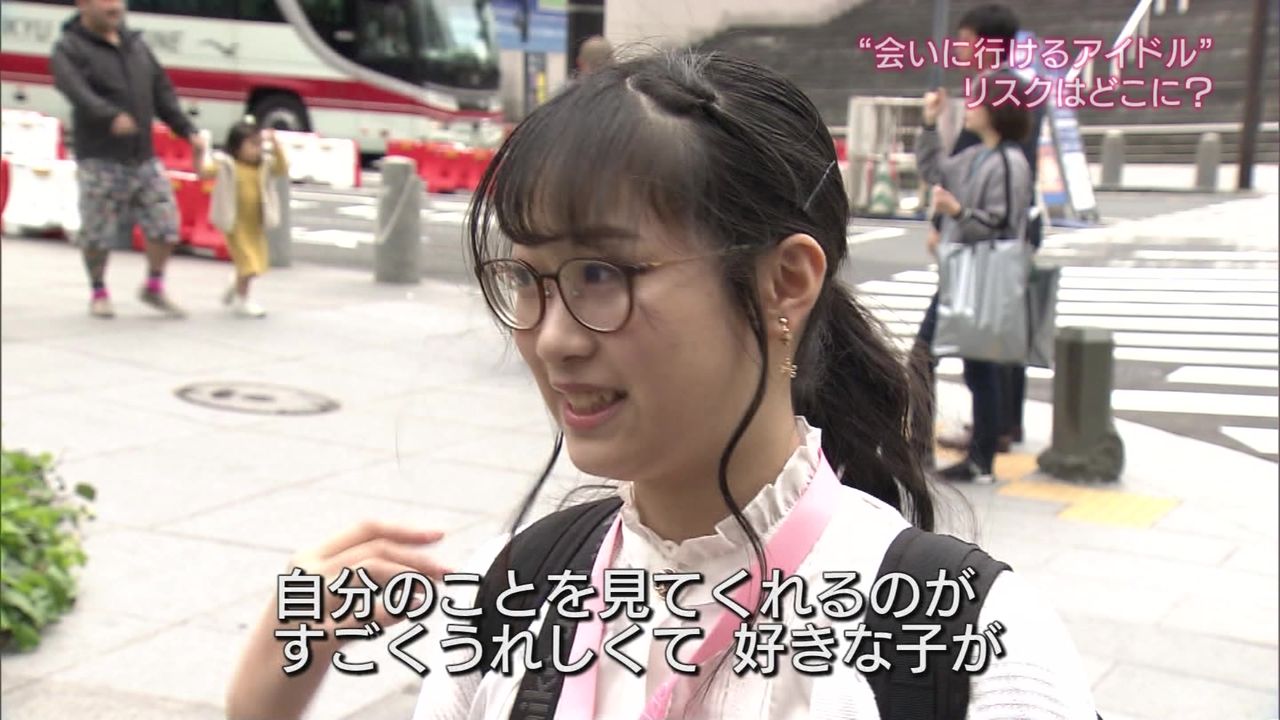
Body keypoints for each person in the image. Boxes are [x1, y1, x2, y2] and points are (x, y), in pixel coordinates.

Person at [225, 50, 1096, 720]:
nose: (553, 338)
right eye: (526, 278)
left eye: (601, 274)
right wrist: (267, 693)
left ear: (785, 282)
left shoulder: (973, 647)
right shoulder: (512, 596)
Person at [914, 3, 1046, 456]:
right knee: (987, 350)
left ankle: (985, 444)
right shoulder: (1006, 96)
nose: (960, 50)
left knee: (977, 353)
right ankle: (998, 431)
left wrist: (949, 216)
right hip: (979, 252)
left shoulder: (1003, 101)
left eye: (967, 41)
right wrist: (929, 125)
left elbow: (990, 202)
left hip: (982, 252)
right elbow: (943, 170)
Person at [50, 0, 205, 319]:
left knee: (166, 225)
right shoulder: (69, 48)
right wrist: (109, 115)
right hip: (100, 157)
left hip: (143, 156)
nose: (115, 6)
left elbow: (162, 92)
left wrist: (187, 130)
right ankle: (98, 290)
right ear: (83, 5)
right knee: (98, 232)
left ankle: (154, 285)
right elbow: (76, 91)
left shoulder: (136, 45)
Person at [200, 119, 288, 318]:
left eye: (259, 144)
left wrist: (276, 146)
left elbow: (282, 169)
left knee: (257, 265)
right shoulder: (227, 164)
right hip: (235, 223)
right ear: (236, 146)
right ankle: (242, 300)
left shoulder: (263, 165)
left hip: (255, 224)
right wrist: (199, 152)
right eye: (252, 144)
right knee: (249, 265)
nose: (257, 149)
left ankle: (235, 283)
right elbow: (204, 172)